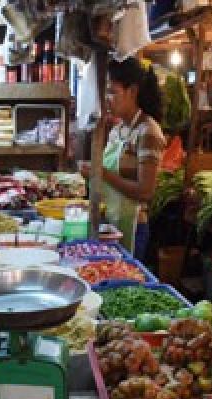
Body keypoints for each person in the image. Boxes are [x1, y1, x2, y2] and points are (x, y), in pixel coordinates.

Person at [80, 58, 167, 259]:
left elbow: (145, 191)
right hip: (111, 222)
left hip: (133, 227)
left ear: (132, 91)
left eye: (112, 92)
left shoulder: (148, 132)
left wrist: (102, 173)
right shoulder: (118, 129)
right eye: (105, 93)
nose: (107, 99)